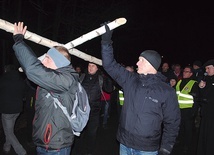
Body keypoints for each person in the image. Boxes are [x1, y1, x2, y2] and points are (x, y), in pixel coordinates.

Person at [100, 24, 181, 155]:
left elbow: (172, 123)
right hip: (124, 144)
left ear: (151, 64)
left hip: (146, 149)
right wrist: (106, 41)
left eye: (141, 60)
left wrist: (166, 148)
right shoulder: (130, 80)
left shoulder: (166, 91)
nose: (137, 63)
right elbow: (109, 65)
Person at [12, 22, 79, 155]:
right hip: (45, 142)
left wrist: (19, 41)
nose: (43, 61)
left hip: (56, 145)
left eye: (47, 58)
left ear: (58, 61)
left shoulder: (65, 79)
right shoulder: (56, 78)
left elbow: (33, 69)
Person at [73, 62, 113, 155]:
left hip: (94, 112)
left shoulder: (100, 78)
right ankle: (77, 152)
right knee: (79, 134)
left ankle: (89, 152)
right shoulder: (82, 77)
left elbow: (109, 89)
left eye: (93, 66)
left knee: (91, 134)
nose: (90, 68)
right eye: (89, 65)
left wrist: (108, 76)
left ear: (97, 68)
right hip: (81, 111)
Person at [0, 64, 27, 155]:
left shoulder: (3, 80)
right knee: (9, 130)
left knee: (9, 132)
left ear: (6, 70)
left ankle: (21, 152)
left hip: (7, 110)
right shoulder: (21, 81)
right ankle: (7, 147)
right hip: (18, 109)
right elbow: (23, 94)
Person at [175, 66, 199, 153]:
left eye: (187, 71)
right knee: (180, 127)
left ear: (191, 73)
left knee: (188, 129)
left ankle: (187, 145)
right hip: (179, 109)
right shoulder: (179, 82)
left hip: (188, 110)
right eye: (184, 71)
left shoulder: (194, 83)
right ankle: (180, 141)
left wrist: (194, 112)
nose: (184, 73)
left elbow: (196, 99)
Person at [197, 59, 214, 155]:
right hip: (206, 114)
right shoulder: (206, 79)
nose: (206, 70)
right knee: (204, 137)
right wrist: (201, 88)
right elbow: (202, 97)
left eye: (208, 68)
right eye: (206, 68)